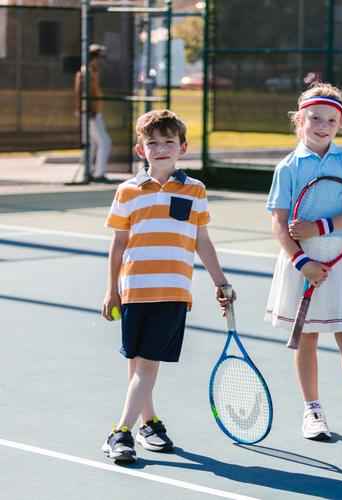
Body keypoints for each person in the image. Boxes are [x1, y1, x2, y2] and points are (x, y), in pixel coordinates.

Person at [101, 109, 234, 464]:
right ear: (140, 149)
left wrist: (220, 281)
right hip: (134, 290)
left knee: (147, 365)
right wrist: (111, 290)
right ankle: (149, 424)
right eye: (153, 143)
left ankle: (121, 432)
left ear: (183, 147)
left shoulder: (195, 190)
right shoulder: (127, 191)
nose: (161, 148)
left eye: (168, 142)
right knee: (137, 363)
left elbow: (201, 240)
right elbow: (118, 244)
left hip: (173, 291)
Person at [265, 82, 342, 447]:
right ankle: (312, 411)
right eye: (315, 118)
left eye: (331, 120)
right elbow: (279, 223)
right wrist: (302, 261)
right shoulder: (287, 167)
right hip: (299, 262)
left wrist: (321, 226)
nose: (322, 125)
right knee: (307, 338)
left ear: (339, 124)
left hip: (337, 261)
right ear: (299, 120)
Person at [74, 43, 113, 182]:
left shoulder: (93, 71)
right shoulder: (87, 72)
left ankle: (89, 171)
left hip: (93, 112)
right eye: (99, 57)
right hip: (91, 113)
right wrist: (85, 110)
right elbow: (81, 93)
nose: (101, 61)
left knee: (93, 143)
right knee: (105, 142)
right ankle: (98, 174)